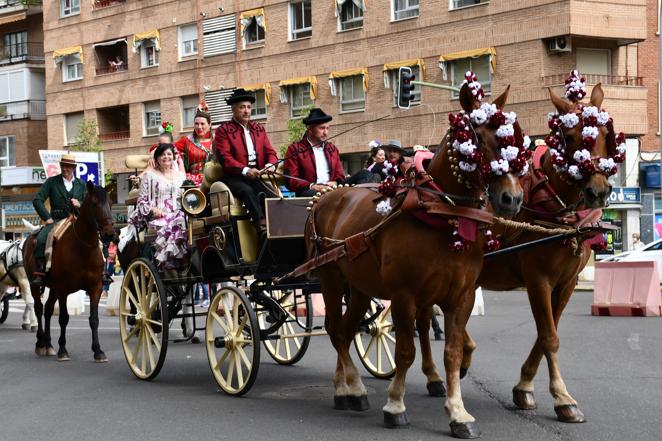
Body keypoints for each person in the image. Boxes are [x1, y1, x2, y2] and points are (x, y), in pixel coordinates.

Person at [214, 88, 279, 235]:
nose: (246, 111)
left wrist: (270, 165)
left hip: (257, 175)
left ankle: (278, 226)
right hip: (235, 177)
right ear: (233, 109)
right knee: (247, 191)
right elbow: (225, 158)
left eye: (249, 107)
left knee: (272, 195)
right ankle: (260, 226)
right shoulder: (223, 130)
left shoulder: (258, 129)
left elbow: (270, 152)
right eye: (242, 107)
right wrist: (245, 170)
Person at [128, 143, 188, 270]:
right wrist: (153, 210)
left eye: (169, 154)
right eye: (162, 154)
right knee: (171, 226)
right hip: (158, 216)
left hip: (178, 214)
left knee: (190, 223)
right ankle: (167, 264)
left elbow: (186, 198)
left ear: (173, 157)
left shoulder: (181, 176)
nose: (166, 157)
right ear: (156, 158)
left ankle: (187, 260)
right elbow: (142, 201)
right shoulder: (149, 176)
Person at [31, 154, 89, 285]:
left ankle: (101, 271)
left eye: (68, 166)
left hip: (76, 220)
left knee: (97, 237)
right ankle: (40, 272)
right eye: (63, 166)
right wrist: (47, 218)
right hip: (56, 220)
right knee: (41, 239)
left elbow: (87, 204)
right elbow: (37, 200)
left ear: (73, 168)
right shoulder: (52, 182)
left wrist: (79, 203)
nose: (64, 168)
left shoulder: (81, 184)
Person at [284, 108, 346, 197]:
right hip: (310, 192)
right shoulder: (295, 149)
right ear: (310, 128)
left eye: (327, 128)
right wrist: (312, 186)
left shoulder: (332, 149)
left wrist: (335, 182)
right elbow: (291, 180)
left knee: (364, 174)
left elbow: (340, 175)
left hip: (332, 189)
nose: (326, 133)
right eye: (322, 128)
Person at [147, 106, 214, 187]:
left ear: (210, 124)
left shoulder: (217, 139)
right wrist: (152, 155)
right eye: (196, 124)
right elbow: (165, 147)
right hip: (194, 181)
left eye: (202, 124)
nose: (199, 127)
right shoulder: (186, 140)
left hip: (214, 177)